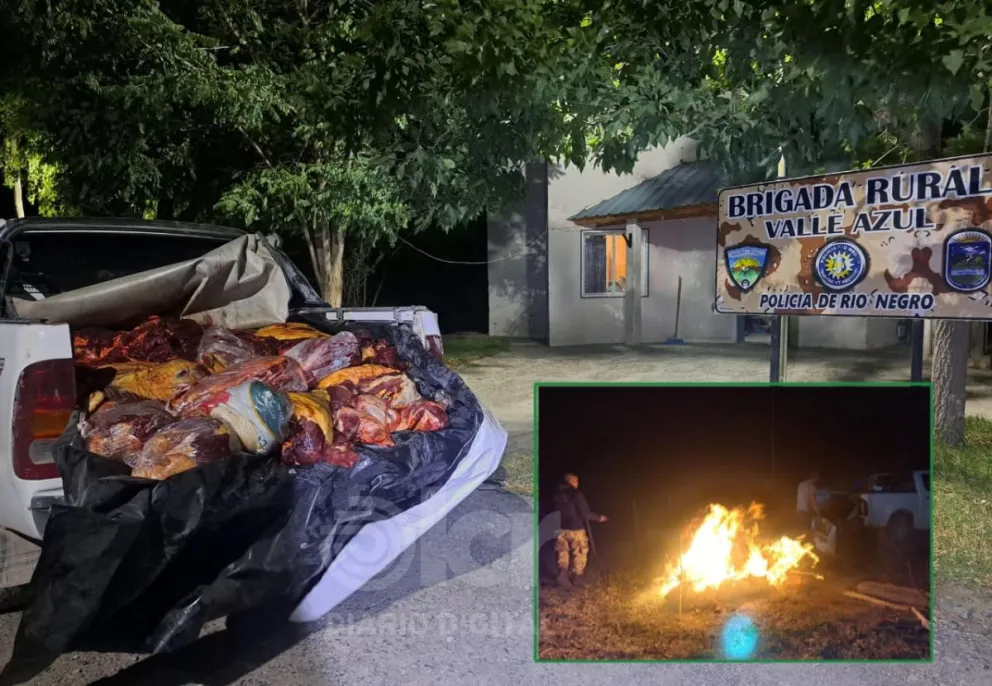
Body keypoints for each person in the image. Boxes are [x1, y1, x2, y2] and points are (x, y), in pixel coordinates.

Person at [553, 473, 608, 588]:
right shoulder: (576, 494)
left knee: (562, 553)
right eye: (576, 481)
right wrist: (599, 518)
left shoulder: (557, 495)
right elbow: (585, 512)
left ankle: (563, 574)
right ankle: (576, 577)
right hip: (576, 529)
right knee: (579, 553)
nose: (578, 483)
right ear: (571, 482)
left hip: (560, 530)